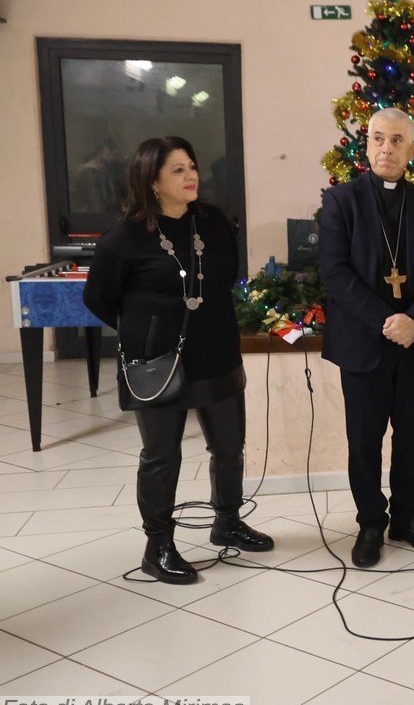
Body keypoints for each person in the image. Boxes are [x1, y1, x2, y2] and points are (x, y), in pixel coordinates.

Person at [84, 136, 273, 585]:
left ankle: (226, 521)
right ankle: (159, 546)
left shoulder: (213, 222)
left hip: (217, 353)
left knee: (228, 448)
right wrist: (148, 328)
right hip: (158, 363)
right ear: (151, 181)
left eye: (192, 167)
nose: (191, 177)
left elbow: (226, 278)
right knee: (161, 456)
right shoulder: (123, 239)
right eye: (178, 170)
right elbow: (98, 299)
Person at [319, 108, 414, 568]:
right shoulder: (341, 201)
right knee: (364, 440)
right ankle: (370, 523)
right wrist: (388, 319)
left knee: (412, 439)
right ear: (366, 144)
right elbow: (335, 273)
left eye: (398, 140)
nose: (387, 148)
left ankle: (407, 518)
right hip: (364, 344)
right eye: (378, 138)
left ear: (412, 150)